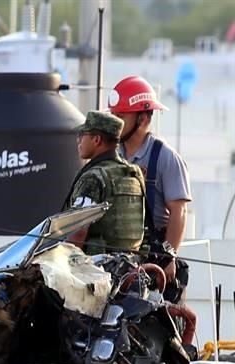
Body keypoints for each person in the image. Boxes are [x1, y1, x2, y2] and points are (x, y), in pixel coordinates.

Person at [108, 75, 193, 302]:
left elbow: (179, 211)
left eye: (121, 116)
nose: (115, 122)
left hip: (155, 258)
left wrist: (169, 258)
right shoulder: (112, 155)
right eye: (113, 116)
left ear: (143, 119)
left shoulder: (165, 158)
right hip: (119, 259)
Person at [64, 111, 146, 256]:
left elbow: (78, 232)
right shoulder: (133, 173)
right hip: (129, 267)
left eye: (82, 135)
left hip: (97, 269)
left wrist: (61, 263)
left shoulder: (93, 178)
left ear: (96, 140)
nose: (78, 141)